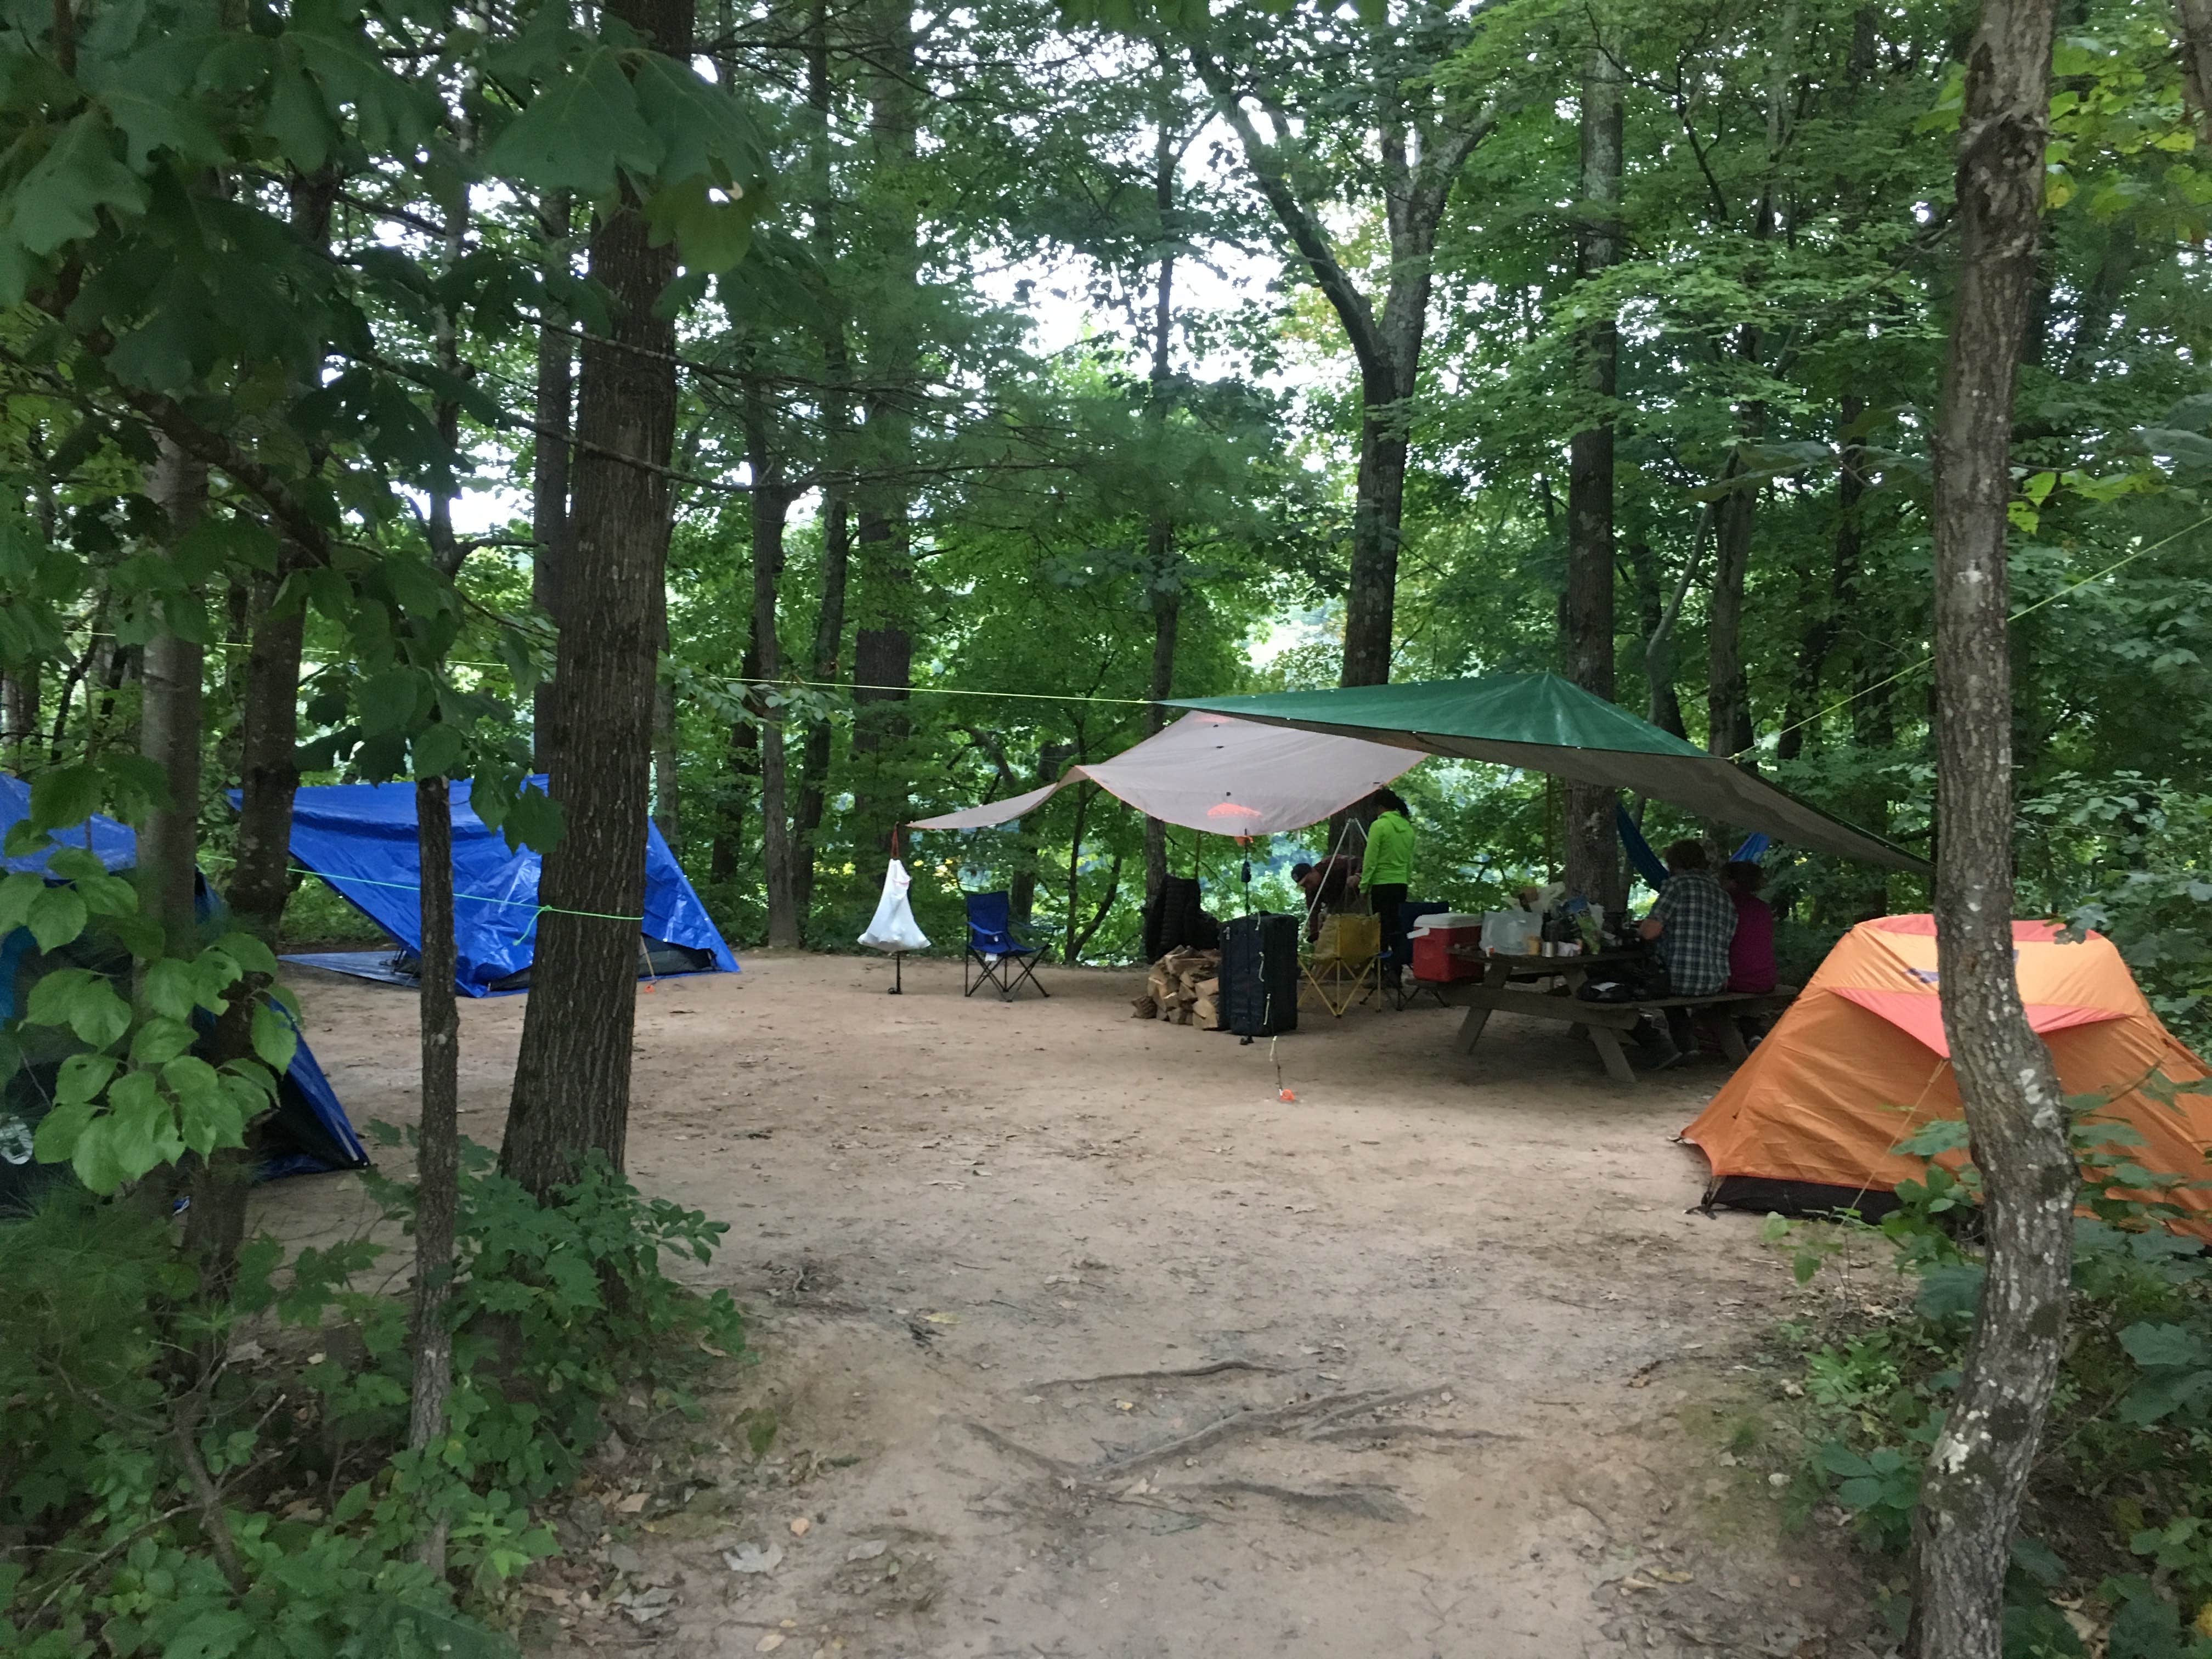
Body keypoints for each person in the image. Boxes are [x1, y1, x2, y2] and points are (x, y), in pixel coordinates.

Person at [1637, 839, 1736, 1064]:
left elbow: (1649, 933)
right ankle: (1686, 1043)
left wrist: (1642, 926)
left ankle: (1658, 1044)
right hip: (1716, 980)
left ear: (1673, 863)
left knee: (1635, 980)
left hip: (1680, 980)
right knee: (1672, 983)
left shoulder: (1677, 886)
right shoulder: (1722, 894)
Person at [1360, 789, 1415, 985]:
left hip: (1382, 885)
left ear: (1380, 807)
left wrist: (1364, 885)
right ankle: (1396, 972)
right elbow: (1409, 861)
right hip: (1400, 884)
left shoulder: (1380, 826)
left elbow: (1371, 859)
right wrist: (1405, 879)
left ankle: (1380, 974)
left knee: (1381, 929)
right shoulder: (1407, 829)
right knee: (1397, 928)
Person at [1721, 861, 1778, 995]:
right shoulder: (1763, 908)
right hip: (1766, 979)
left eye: (1721, 878)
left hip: (1737, 980)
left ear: (1732, 882)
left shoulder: (1726, 906)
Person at [1291, 854, 1358, 942]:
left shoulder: (1334, 865)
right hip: (1338, 904)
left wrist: (1358, 875)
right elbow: (1313, 913)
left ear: (1313, 871)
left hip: (1359, 894)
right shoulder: (1310, 890)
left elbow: (1361, 862)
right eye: (1304, 885)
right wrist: (1315, 936)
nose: (1308, 886)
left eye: (1308, 881)